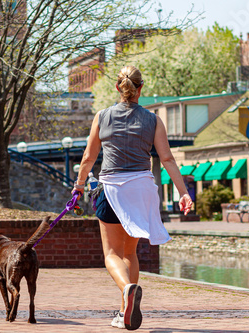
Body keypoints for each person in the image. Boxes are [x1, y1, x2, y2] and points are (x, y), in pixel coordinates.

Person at [72, 65, 193, 331]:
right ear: (140, 89)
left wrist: (79, 186)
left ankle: (127, 290)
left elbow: (89, 158)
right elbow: (168, 159)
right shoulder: (152, 120)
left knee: (111, 254)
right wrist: (183, 192)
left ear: (118, 87)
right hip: (141, 191)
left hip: (111, 190)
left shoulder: (102, 116)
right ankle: (125, 308)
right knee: (130, 252)